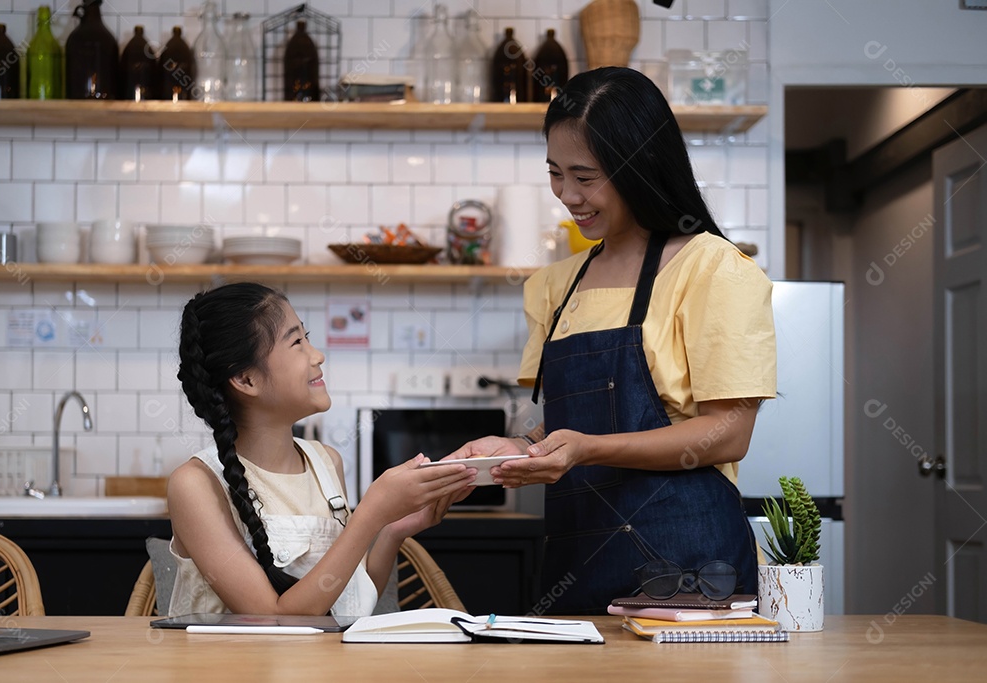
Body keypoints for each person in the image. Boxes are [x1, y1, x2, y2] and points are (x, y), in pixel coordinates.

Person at [447, 67, 777, 615]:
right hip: (578, 556)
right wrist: (519, 451)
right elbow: (569, 425)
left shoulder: (711, 267)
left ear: (641, 164)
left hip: (689, 566)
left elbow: (728, 432)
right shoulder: (555, 285)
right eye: (555, 173)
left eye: (586, 175)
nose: (568, 195)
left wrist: (587, 449)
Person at [169, 283, 475, 616]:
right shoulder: (196, 485)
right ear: (246, 380)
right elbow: (273, 620)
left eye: (308, 337)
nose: (318, 355)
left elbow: (347, 601)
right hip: (229, 669)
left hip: (323, 668)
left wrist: (391, 529)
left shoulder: (327, 462)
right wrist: (370, 513)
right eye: (297, 342)